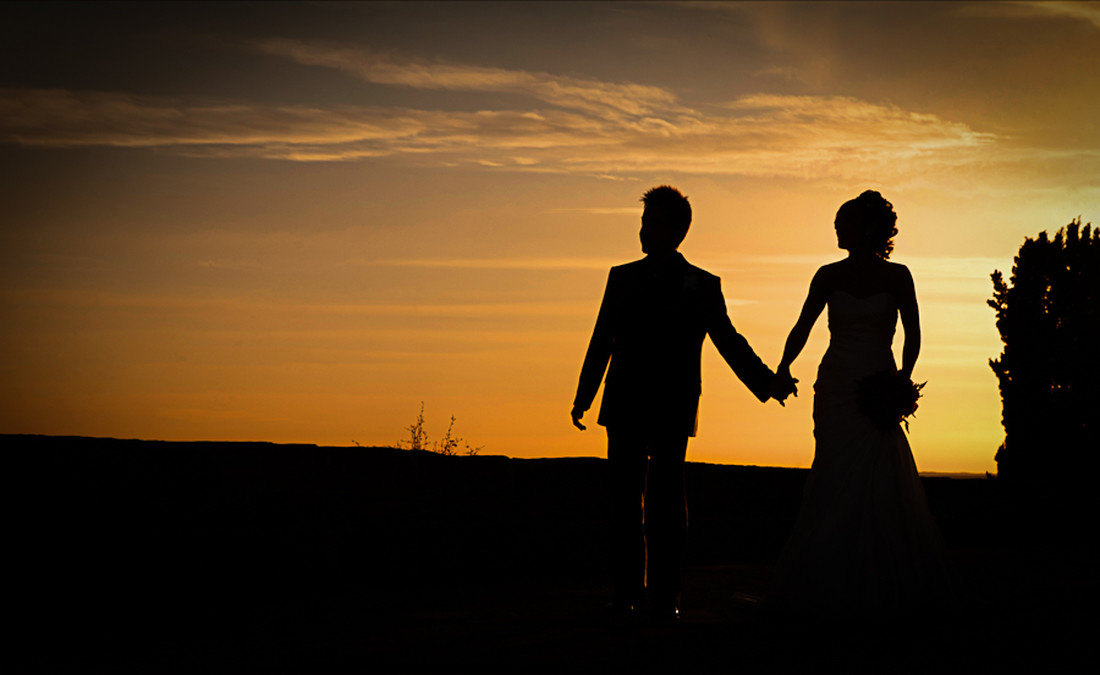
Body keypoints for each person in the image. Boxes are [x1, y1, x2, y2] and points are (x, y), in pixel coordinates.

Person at [571, 185, 795, 622]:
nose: (642, 231)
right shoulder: (621, 277)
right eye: (642, 223)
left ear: (677, 231)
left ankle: (665, 596)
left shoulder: (703, 284)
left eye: (651, 223)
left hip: (672, 402)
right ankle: (627, 594)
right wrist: (584, 395)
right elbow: (602, 339)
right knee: (624, 501)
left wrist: (768, 383)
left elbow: (729, 341)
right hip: (626, 400)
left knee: (666, 500)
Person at [767, 190, 948, 619]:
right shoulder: (826, 275)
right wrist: (783, 365)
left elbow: (914, 332)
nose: (836, 228)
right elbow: (803, 326)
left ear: (865, 229)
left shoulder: (899, 276)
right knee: (833, 468)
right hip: (836, 386)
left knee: (878, 475)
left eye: (842, 222)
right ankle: (827, 575)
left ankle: (878, 579)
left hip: (878, 382)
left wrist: (902, 380)